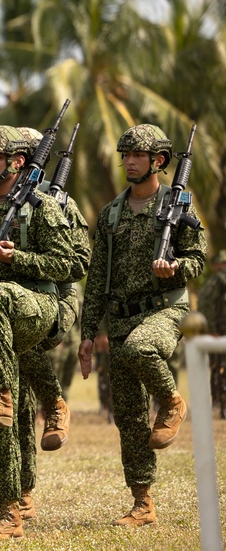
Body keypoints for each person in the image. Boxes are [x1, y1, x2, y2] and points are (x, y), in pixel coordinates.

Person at [79, 124, 206, 526]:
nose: (130, 162)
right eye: (126, 155)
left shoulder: (179, 205)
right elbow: (97, 277)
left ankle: (171, 401)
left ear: (159, 161)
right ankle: (142, 503)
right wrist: (86, 333)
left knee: (140, 348)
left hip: (163, 309)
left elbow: (197, 258)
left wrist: (176, 267)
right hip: (119, 318)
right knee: (130, 416)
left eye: (138, 156)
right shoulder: (112, 213)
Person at [0, 125, 75, 539]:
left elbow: (68, 265)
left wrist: (17, 258)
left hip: (36, 307)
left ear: (17, 163)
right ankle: (10, 511)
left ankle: (10, 397)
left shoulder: (41, 206)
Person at [8, 126, 90, 519]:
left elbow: (77, 262)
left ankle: (55, 401)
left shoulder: (58, 204)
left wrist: (23, 261)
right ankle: (22, 492)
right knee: (15, 404)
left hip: (54, 301)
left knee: (24, 355)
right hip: (10, 307)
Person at [198, 250, 226, 418]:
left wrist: (211, 329)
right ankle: (221, 405)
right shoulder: (217, 282)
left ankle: (219, 404)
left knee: (218, 368)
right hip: (220, 332)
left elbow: (205, 305)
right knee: (220, 368)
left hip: (219, 332)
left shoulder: (214, 281)